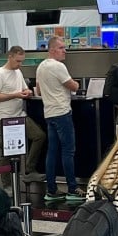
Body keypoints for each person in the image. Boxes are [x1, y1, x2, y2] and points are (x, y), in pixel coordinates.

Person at [0, 46, 46, 184]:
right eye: (18, 61)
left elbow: (23, 87)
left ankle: (29, 169)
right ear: (10, 57)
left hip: (19, 115)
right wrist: (14, 95)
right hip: (4, 118)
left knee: (39, 136)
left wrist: (27, 92)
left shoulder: (18, 72)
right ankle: (7, 184)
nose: (20, 64)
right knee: (7, 152)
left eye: (21, 61)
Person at [36, 36, 84, 202]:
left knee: (52, 151)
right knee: (68, 151)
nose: (65, 51)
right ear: (52, 50)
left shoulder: (41, 67)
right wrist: (75, 83)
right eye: (61, 48)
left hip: (49, 113)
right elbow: (74, 86)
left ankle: (51, 190)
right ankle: (72, 188)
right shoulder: (58, 66)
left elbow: (39, 91)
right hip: (62, 113)